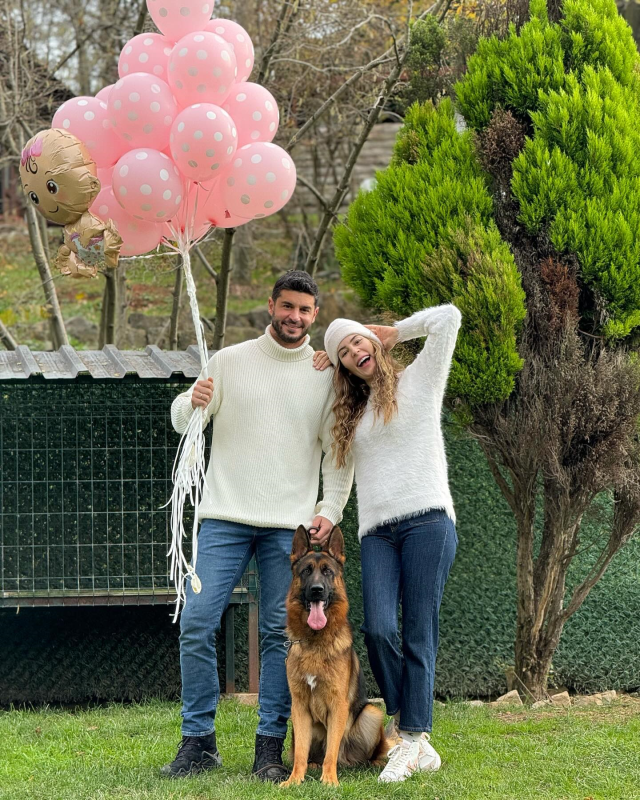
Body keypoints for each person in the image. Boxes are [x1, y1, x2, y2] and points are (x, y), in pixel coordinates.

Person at [162, 271, 353, 782]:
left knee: (277, 634)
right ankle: (198, 741)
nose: (295, 317)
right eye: (287, 306)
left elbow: (338, 452)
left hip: (286, 529)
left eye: (305, 311)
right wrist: (192, 398)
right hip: (223, 516)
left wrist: (330, 510)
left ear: (315, 315)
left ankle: (270, 748)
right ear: (271, 305)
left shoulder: (325, 374)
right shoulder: (228, 361)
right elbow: (184, 421)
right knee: (198, 621)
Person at [317, 303, 461, 783]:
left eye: (359, 341)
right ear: (342, 368)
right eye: (344, 352)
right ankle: (411, 728)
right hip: (376, 531)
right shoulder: (349, 414)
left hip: (428, 521)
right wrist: (316, 361)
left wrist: (396, 330)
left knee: (419, 629)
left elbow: (449, 319)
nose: (356, 350)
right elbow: (337, 474)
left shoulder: (421, 380)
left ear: (374, 344)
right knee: (379, 628)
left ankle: (412, 738)